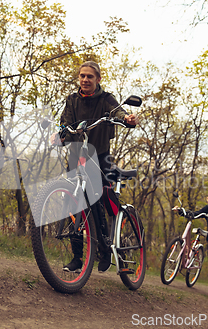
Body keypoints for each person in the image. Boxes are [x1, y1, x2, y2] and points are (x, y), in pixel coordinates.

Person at [51, 61, 138, 273]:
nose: (85, 80)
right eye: (82, 76)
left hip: (98, 156)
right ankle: (77, 258)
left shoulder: (105, 98)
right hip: (75, 155)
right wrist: (60, 134)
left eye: (90, 76)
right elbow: (65, 123)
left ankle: (105, 248)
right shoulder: (72, 100)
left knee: (97, 199)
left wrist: (126, 118)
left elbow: (117, 112)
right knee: (73, 204)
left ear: (98, 79)